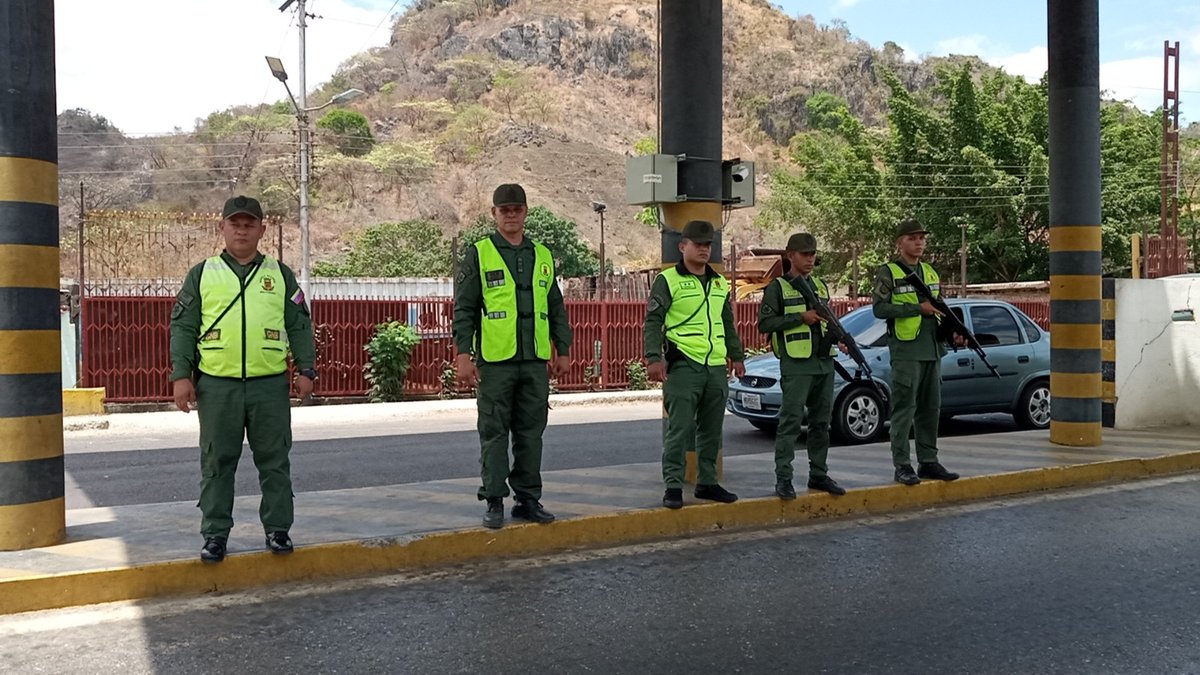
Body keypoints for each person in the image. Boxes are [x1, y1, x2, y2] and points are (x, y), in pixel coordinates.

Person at [168, 195, 316, 563]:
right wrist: (180, 376)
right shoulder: (202, 274)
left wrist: (307, 369)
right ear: (222, 227)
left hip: (269, 385)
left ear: (262, 230)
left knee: (275, 460)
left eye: (250, 224)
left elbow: (299, 324)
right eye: (235, 223)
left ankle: (278, 530)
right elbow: (183, 327)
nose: (242, 230)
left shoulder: (279, 275)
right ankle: (215, 534)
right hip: (217, 385)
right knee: (217, 462)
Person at [453, 183, 573, 529]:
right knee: (493, 432)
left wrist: (562, 350)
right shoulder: (480, 253)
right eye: (504, 210)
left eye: (516, 209)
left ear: (525, 213)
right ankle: (493, 498)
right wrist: (464, 354)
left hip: (534, 362)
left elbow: (556, 308)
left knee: (531, 432)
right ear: (494, 214)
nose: (510, 215)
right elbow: (464, 308)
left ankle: (527, 499)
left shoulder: (543, 256)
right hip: (496, 361)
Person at [644, 219, 746, 509]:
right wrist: (653, 358)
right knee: (679, 428)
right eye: (698, 244)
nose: (703, 249)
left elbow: (727, 321)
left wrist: (736, 356)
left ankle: (708, 483)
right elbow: (653, 321)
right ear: (682, 246)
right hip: (684, 365)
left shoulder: (718, 282)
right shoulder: (668, 280)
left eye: (707, 245)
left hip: (715, 366)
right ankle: (673, 486)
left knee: (712, 430)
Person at [758, 233, 846, 499]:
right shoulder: (778, 287)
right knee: (791, 423)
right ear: (790, 255)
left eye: (812, 254)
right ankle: (784, 478)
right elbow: (765, 324)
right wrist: (800, 317)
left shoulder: (820, 285)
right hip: (797, 364)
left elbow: (827, 320)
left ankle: (819, 474)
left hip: (823, 362)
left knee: (821, 423)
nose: (809, 259)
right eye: (804, 254)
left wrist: (840, 338)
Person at [871, 219, 960, 485]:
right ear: (900, 243)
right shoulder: (889, 272)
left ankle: (928, 461)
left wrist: (952, 333)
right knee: (904, 409)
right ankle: (902, 465)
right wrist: (915, 309)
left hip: (932, 350)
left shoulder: (930, 272)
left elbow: (939, 310)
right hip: (907, 349)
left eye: (922, 237)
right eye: (912, 238)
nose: (919, 242)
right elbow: (879, 309)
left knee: (930, 409)